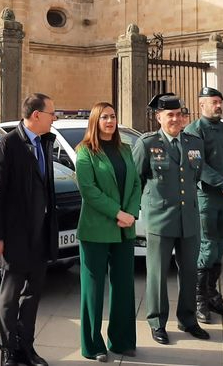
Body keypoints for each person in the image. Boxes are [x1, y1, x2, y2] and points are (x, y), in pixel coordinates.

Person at [0, 93, 58, 366]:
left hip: (40, 236)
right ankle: (7, 350)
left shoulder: (45, 143)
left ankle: (26, 347)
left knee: (33, 295)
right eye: (52, 113)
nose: (55, 118)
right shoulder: (7, 145)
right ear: (36, 115)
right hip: (14, 237)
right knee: (10, 298)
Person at [132, 93, 209, 345]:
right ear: (159, 117)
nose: (175, 119)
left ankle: (188, 320)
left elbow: (194, 177)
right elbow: (136, 181)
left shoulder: (194, 143)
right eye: (170, 115)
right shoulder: (146, 144)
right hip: (160, 220)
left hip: (189, 219)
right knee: (157, 274)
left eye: (178, 114)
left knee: (189, 272)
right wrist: (137, 212)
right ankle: (157, 322)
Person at [74, 102, 141, 362]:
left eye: (113, 116)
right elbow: (89, 191)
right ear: (95, 121)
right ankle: (92, 345)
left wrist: (132, 213)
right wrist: (117, 213)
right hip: (96, 230)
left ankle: (122, 341)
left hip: (125, 229)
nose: (110, 121)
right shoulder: (85, 152)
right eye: (104, 117)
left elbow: (136, 182)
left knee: (124, 286)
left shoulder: (125, 149)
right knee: (93, 289)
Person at [185, 87, 223, 323]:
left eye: (220, 101)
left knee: (221, 247)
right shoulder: (195, 130)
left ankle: (212, 295)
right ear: (202, 105)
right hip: (207, 198)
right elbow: (197, 165)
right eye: (214, 102)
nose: (218, 105)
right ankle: (199, 299)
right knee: (207, 248)